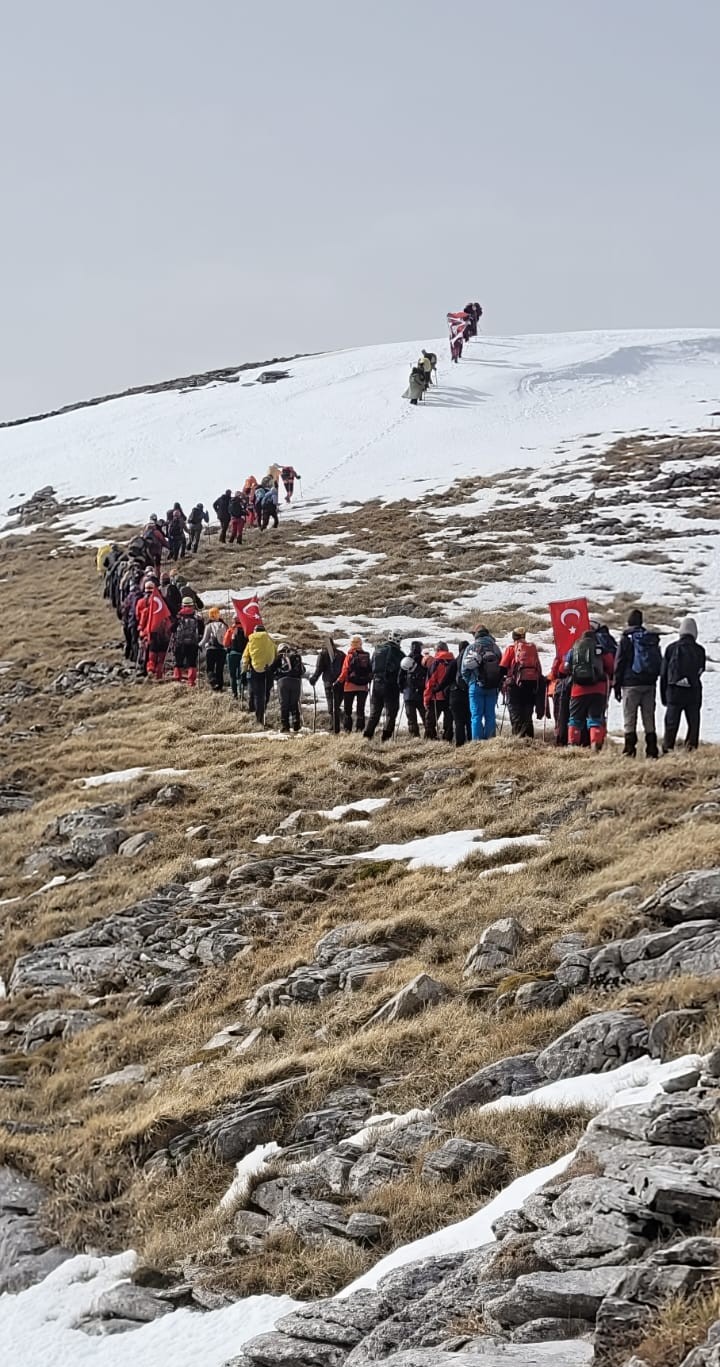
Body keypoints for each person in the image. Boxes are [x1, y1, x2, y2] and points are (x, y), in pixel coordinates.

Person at [614, 609, 663, 758]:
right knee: (649, 717)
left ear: (629, 622)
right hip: (649, 684)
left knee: (630, 717)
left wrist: (616, 685)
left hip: (631, 684)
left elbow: (619, 663)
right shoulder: (650, 639)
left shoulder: (626, 639)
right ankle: (652, 750)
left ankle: (630, 750)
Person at [565, 627, 615, 753]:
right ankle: (595, 747)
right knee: (595, 719)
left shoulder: (574, 650)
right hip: (598, 691)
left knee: (575, 719)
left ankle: (572, 745)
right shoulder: (601, 650)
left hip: (578, 690)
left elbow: (563, 668)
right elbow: (611, 667)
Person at [661, 617, 706, 752]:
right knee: (693, 722)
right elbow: (700, 670)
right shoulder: (699, 650)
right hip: (693, 692)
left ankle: (667, 748)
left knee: (671, 722)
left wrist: (664, 695)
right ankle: (691, 749)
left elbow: (663, 674)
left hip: (674, 692)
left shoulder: (671, 648)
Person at [462, 626, 503, 741]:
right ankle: (490, 740)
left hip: (475, 685)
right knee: (490, 716)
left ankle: (477, 742)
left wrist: (470, 682)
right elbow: (502, 667)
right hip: (492, 687)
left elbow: (464, 670)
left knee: (476, 716)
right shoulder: (495, 647)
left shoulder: (471, 647)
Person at [499, 629, 542, 738]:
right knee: (527, 713)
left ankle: (518, 739)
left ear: (514, 637)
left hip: (515, 686)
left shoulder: (511, 649)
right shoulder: (532, 648)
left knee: (516, 712)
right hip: (531, 684)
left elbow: (502, 668)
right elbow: (538, 668)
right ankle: (529, 739)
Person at [364, 632, 404, 741]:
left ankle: (367, 736)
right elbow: (402, 672)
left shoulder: (377, 650)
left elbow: (371, 667)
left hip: (376, 684)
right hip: (391, 686)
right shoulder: (399, 654)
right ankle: (385, 738)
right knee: (391, 713)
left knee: (374, 713)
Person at [136, 580, 172, 681]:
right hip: (162, 634)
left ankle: (149, 671)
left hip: (149, 634)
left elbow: (139, 617)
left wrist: (141, 629)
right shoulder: (161, 602)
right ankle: (159, 675)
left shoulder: (141, 602)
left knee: (150, 656)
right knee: (161, 657)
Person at [242, 625, 278, 724]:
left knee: (258, 695)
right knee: (266, 692)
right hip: (268, 670)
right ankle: (263, 709)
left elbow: (245, 657)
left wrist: (244, 670)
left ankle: (259, 718)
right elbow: (276, 654)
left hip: (255, 670)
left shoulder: (251, 641)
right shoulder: (270, 640)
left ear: (255, 631)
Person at [309, 637, 346, 734]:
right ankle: (335, 726)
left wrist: (314, 679)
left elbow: (319, 669)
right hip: (340, 683)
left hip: (329, 683)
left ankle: (334, 728)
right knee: (336, 705)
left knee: (332, 706)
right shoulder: (341, 654)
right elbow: (346, 669)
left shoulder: (323, 654)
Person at [338, 636, 372, 732]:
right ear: (360, 644)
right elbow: (370, 670)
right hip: (363, 687)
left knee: (348, 710)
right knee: (360, 709)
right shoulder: (366, 656)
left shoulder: (349, 656)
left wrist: (339, 681)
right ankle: (359, 729)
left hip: (349, 686)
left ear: (351, 644)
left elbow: (345, 670)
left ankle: (347, 729)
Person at [424, 642, 456, 741]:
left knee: (431, 721)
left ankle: (431, 739)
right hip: (451, 695)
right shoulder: (454, 662)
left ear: (437, 650)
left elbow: (430, 682)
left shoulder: (436, 663)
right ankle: (448, 739)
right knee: (449, 720)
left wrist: (426, 699)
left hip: (436, 696)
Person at [172, 597, 203, 686]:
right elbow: (201, 630)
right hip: (193, 644)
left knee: (178, 662)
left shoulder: (179, 617)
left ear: (183, 605)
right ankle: (191, 681)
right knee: (192, 663)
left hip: (180, 643)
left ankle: (177, 679)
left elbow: (172, 629)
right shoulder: (197, 618)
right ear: (192, 605)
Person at [398, 641, 427, 738]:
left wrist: (403, 689)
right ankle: (429, 736)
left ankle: (415, 737)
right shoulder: (423, 660)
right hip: (421, 693)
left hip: (408, 694)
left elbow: (400, 678)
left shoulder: (405, 660)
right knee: (425, 716)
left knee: (411, 718)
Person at [275, 643, 305, 731]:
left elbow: (272, 669)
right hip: (296, 682)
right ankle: (296, 723)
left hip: (283, 682)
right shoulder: (296, 656)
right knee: (294, 703)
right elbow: (303, 670)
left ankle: (285, 726)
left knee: (284, 704)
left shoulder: (280, 656)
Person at [449, 641, 472, 747]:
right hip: (468, 693)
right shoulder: (471, 662)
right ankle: (472, 741)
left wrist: (437, 689)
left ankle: (460, 744)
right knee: (469, 719)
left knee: (458, 721)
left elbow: (446, 678)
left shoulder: (454, 662)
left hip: (455, 694)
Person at [200, 607, 227, 692]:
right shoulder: (224, 625)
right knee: (220, 669)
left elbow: (205, 639)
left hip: (211, 650)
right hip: (222, 650)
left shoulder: (208, 625)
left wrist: (199, 645)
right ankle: (220, 686)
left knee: (210, 669)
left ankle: (213, 682)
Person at [223, 619, 248, 701]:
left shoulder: (231, 630)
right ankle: (241, 693)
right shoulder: (246, 630)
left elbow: (225, 643)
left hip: (233, 654)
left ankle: (234, 694)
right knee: (241, 675)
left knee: (232, 675)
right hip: (244, 655)